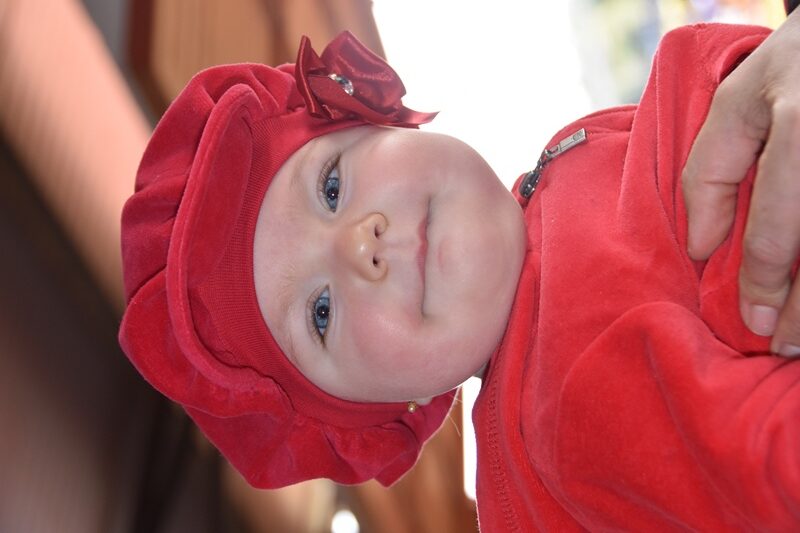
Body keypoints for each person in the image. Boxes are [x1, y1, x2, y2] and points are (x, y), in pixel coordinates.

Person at [119, 13, 800, 533]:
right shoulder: (565, 410)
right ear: (381, 415)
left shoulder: (555, 175)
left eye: (331, 187)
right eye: (320, 313)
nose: (360, 243)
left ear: (381, 122)